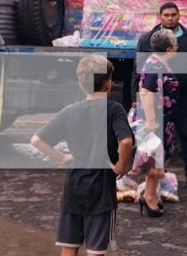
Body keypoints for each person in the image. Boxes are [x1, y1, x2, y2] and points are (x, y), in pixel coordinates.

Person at [31, 55, 133, 256]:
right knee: (96, 250)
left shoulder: (70, 111)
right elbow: (126, 141)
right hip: (101, 190)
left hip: (74, 188)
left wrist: (62, 158)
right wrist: (121, 166)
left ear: (80, 83)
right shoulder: (114, 109)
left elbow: (36, 140)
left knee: (69, 246)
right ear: (109, 84)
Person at [134, 1, 187, 192]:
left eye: (173, 14)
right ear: (160, 16)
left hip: (183, 97)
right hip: (158, 102)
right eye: (166, 15)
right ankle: (158, 180)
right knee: (159, 141)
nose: (170, 18)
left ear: (179, 15)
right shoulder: (149, 39)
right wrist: (135, 98)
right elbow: (140, 69)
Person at [134, 29, 181, 217]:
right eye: (175, 45)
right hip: (156, 121)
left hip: (164, 120)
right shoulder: (155, 65)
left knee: (157, 161)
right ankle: (150, 198)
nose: (177, 48)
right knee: (155, 163)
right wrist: (152, 121)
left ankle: (150, 195)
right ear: (170, 48)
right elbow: (145, 91)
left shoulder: (156, 63)